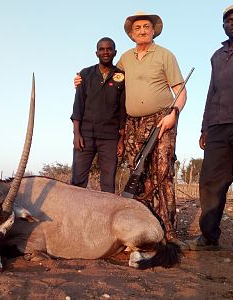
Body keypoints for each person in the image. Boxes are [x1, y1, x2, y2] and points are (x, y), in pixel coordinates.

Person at [75, 12, 187, 249]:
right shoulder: (125, 59)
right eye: (138, 28)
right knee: (139, 174)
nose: (143, 30)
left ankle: (168, 231)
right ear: (132, 33)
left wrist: (173, 114)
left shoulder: (166, 55)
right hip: (133, 124)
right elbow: (105, 78)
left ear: (153, 30)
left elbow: (181, 91)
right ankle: (141, 228)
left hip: (161, 120)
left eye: (147, 26)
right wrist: (80, 80)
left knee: (162, 172)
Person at [185, 4, 233, 260]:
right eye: (229, 19)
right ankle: (208, 238)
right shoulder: (217, 55)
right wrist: (205, 126)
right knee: (210, 183)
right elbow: (211, 91)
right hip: (217, 126)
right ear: (223, 25)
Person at [71, 37, 126, 193]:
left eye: (109, 49)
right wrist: (77, 134)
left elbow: (122, 110)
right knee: (77, 182)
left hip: (110, 138)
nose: (105, 52)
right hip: (86, 135)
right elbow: (78, 106)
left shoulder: (121, 76)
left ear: (115, 52)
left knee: (108, 184)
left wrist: (121, 139)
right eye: (102, 49)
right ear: (96, 53)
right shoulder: (86, 74)